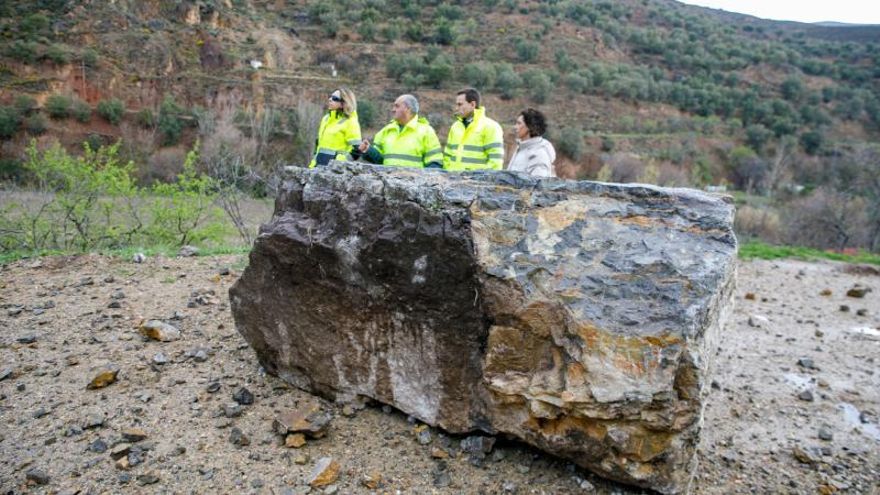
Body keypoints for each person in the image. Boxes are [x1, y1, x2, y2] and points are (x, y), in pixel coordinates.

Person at [354, 94, 443, 168]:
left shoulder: (427, 131)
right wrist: (368, 150)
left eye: (397, 106)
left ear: (408, 109)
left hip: (415, 187)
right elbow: (380, 161)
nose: (393, 110)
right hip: (389, 185)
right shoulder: (386, 131)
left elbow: (435, 164)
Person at [443, 88, 504, 171]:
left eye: (460, 104)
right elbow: (447, 156)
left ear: (472, 104)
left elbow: (495, 163)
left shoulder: (491, 127)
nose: (456, 108)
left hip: (477, 183)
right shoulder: (455, 127)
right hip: (453, 181)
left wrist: (476, 180)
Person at [310, 87, 361, 168]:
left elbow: (357, 150)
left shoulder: (351, 121)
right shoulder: (326, 119)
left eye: (335, 98)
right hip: (317, 168)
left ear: (344, 103)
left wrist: (339, 163)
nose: (330, 99)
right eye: (330, 97)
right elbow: (318, 146)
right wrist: (313, 163)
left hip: (335, 171)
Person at [507, 108, 556, 177]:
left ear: (530, 127)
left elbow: (538, 185)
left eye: (519, 123)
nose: (515, 127)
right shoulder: (522, 147)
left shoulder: (539, 154)